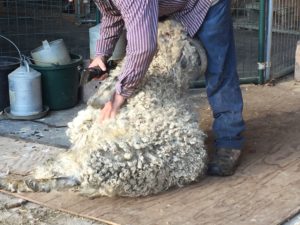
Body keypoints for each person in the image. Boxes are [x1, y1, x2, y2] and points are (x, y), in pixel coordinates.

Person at [90, 0, 245, 176]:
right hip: (172, 7)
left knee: (219, 69)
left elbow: (142, 49)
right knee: (161, 69)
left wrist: (119, 95)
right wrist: (101, 54)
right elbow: (112, 14)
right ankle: (167, 138)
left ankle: (229, 141)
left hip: (206, 4)